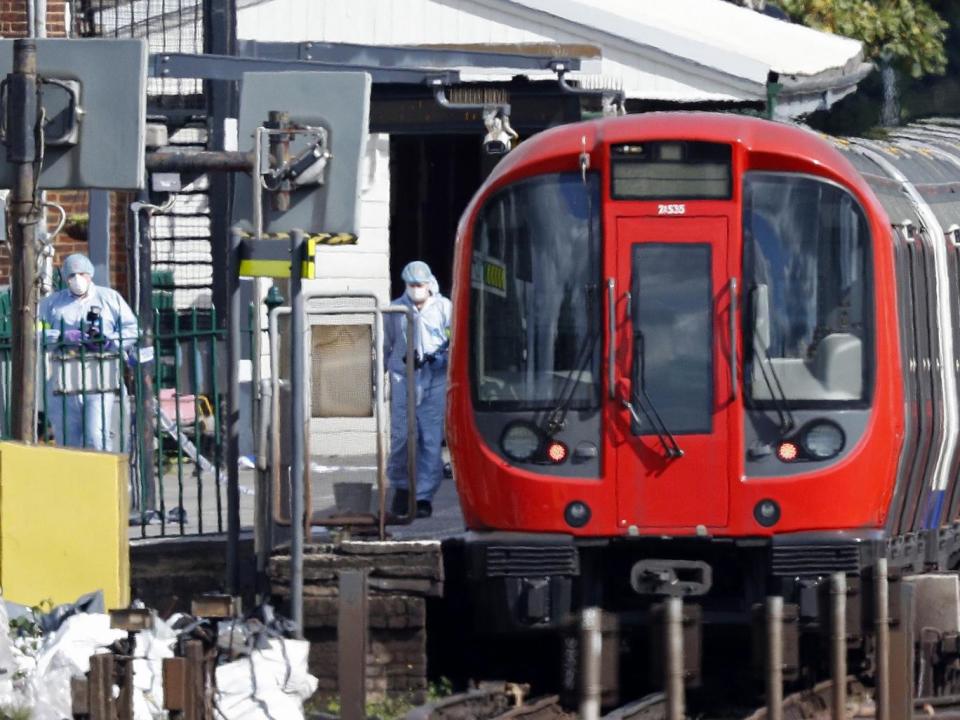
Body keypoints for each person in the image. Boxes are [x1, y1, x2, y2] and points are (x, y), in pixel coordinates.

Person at [39, 253, 138, 451]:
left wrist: (110, 342)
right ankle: (72, 481)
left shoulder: (110, 298)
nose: (77, 279)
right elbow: (34, 332)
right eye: (71, 275)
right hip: (65, 376)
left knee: (97, 436)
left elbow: (132, 329)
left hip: (101, 374)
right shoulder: (52, 303)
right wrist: (61, 337)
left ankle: (101, 480)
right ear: (65, 278)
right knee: (68, 439)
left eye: (82, 273)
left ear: (90, 274)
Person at [385, 260, 452, 519]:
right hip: (404, 379)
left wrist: (441, 359)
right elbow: (385, 344)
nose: (416, 289)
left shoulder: (444, 308)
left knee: (430, 440)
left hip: (434, 379)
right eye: (411, 285)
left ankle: (423, 496)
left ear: (429, 284)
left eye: (420, 285)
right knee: (402, 437)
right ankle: (401, 488)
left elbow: (454, 340)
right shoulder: (395, 310)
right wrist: (377, 380)